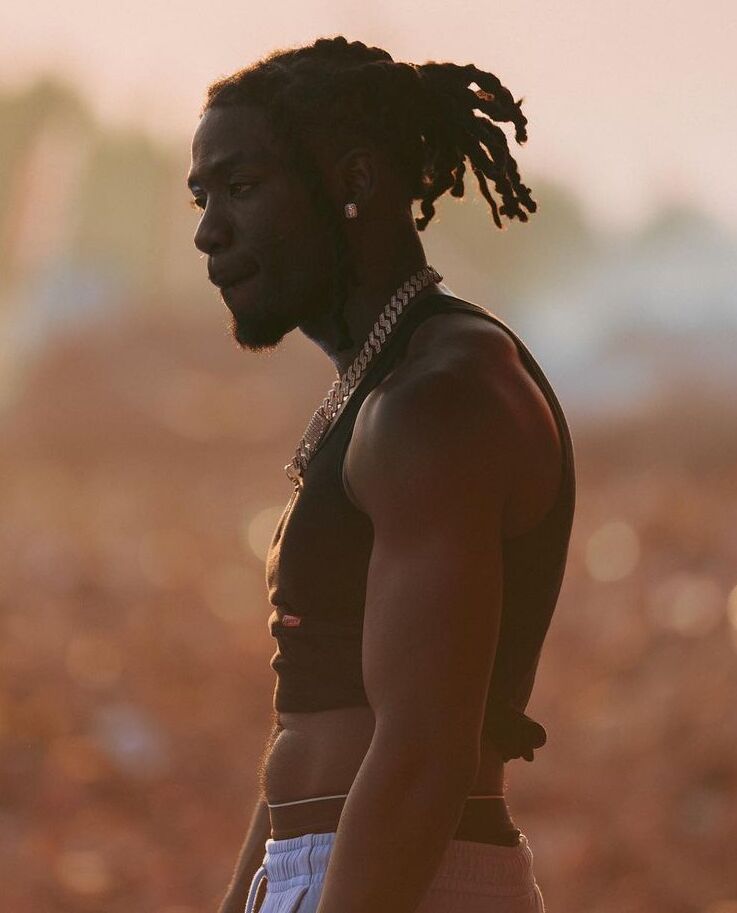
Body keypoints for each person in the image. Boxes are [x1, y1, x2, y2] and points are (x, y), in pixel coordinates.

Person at [186, 35, 575, 913]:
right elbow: (317, 728)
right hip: (338, 867)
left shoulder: (436, 397)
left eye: (242, 189)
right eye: (202, 196)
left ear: (356, 182)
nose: (209, 231)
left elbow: (419, 761)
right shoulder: (383, 385)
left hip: (402, 879)